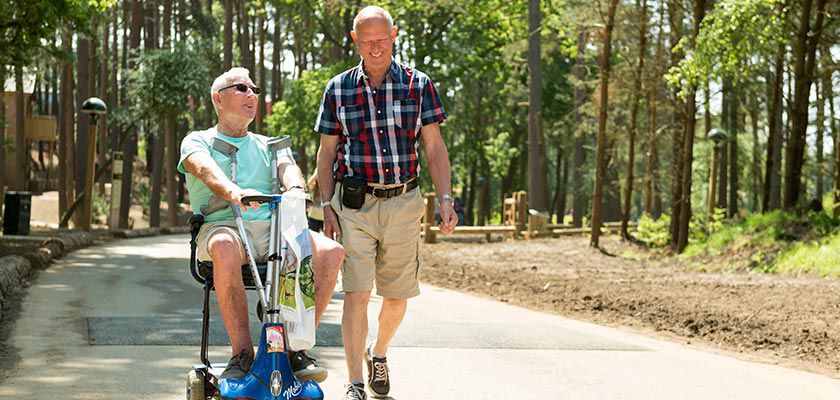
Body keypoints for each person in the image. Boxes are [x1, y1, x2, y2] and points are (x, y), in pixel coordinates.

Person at [314, 6, 458, 400]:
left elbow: (434, 147)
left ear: (394, 35)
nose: (375, 48)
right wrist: (327, 206)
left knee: (396, 295)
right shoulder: (338, 89)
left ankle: (379, 353)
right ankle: (355, 382)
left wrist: (444, 199)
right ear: (354, 40)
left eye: (382, 39)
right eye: (367, 41)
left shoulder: (418, 84)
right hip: (355, 205)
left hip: (404, 201)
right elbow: (326, 154)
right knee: (357, 294)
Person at [178, 67, 344, 384]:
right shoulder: (198, 140)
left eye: (254, 89)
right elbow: (204, 167)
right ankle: (242, 354)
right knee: (225, 248)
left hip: (271, 229)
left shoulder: (270, 144)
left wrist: (296, 189)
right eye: (241, 88)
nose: (251, 94)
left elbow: (289, 169)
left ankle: (294, 347)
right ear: (218, 98)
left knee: (330, 251)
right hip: (222, 225)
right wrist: (233, 193)